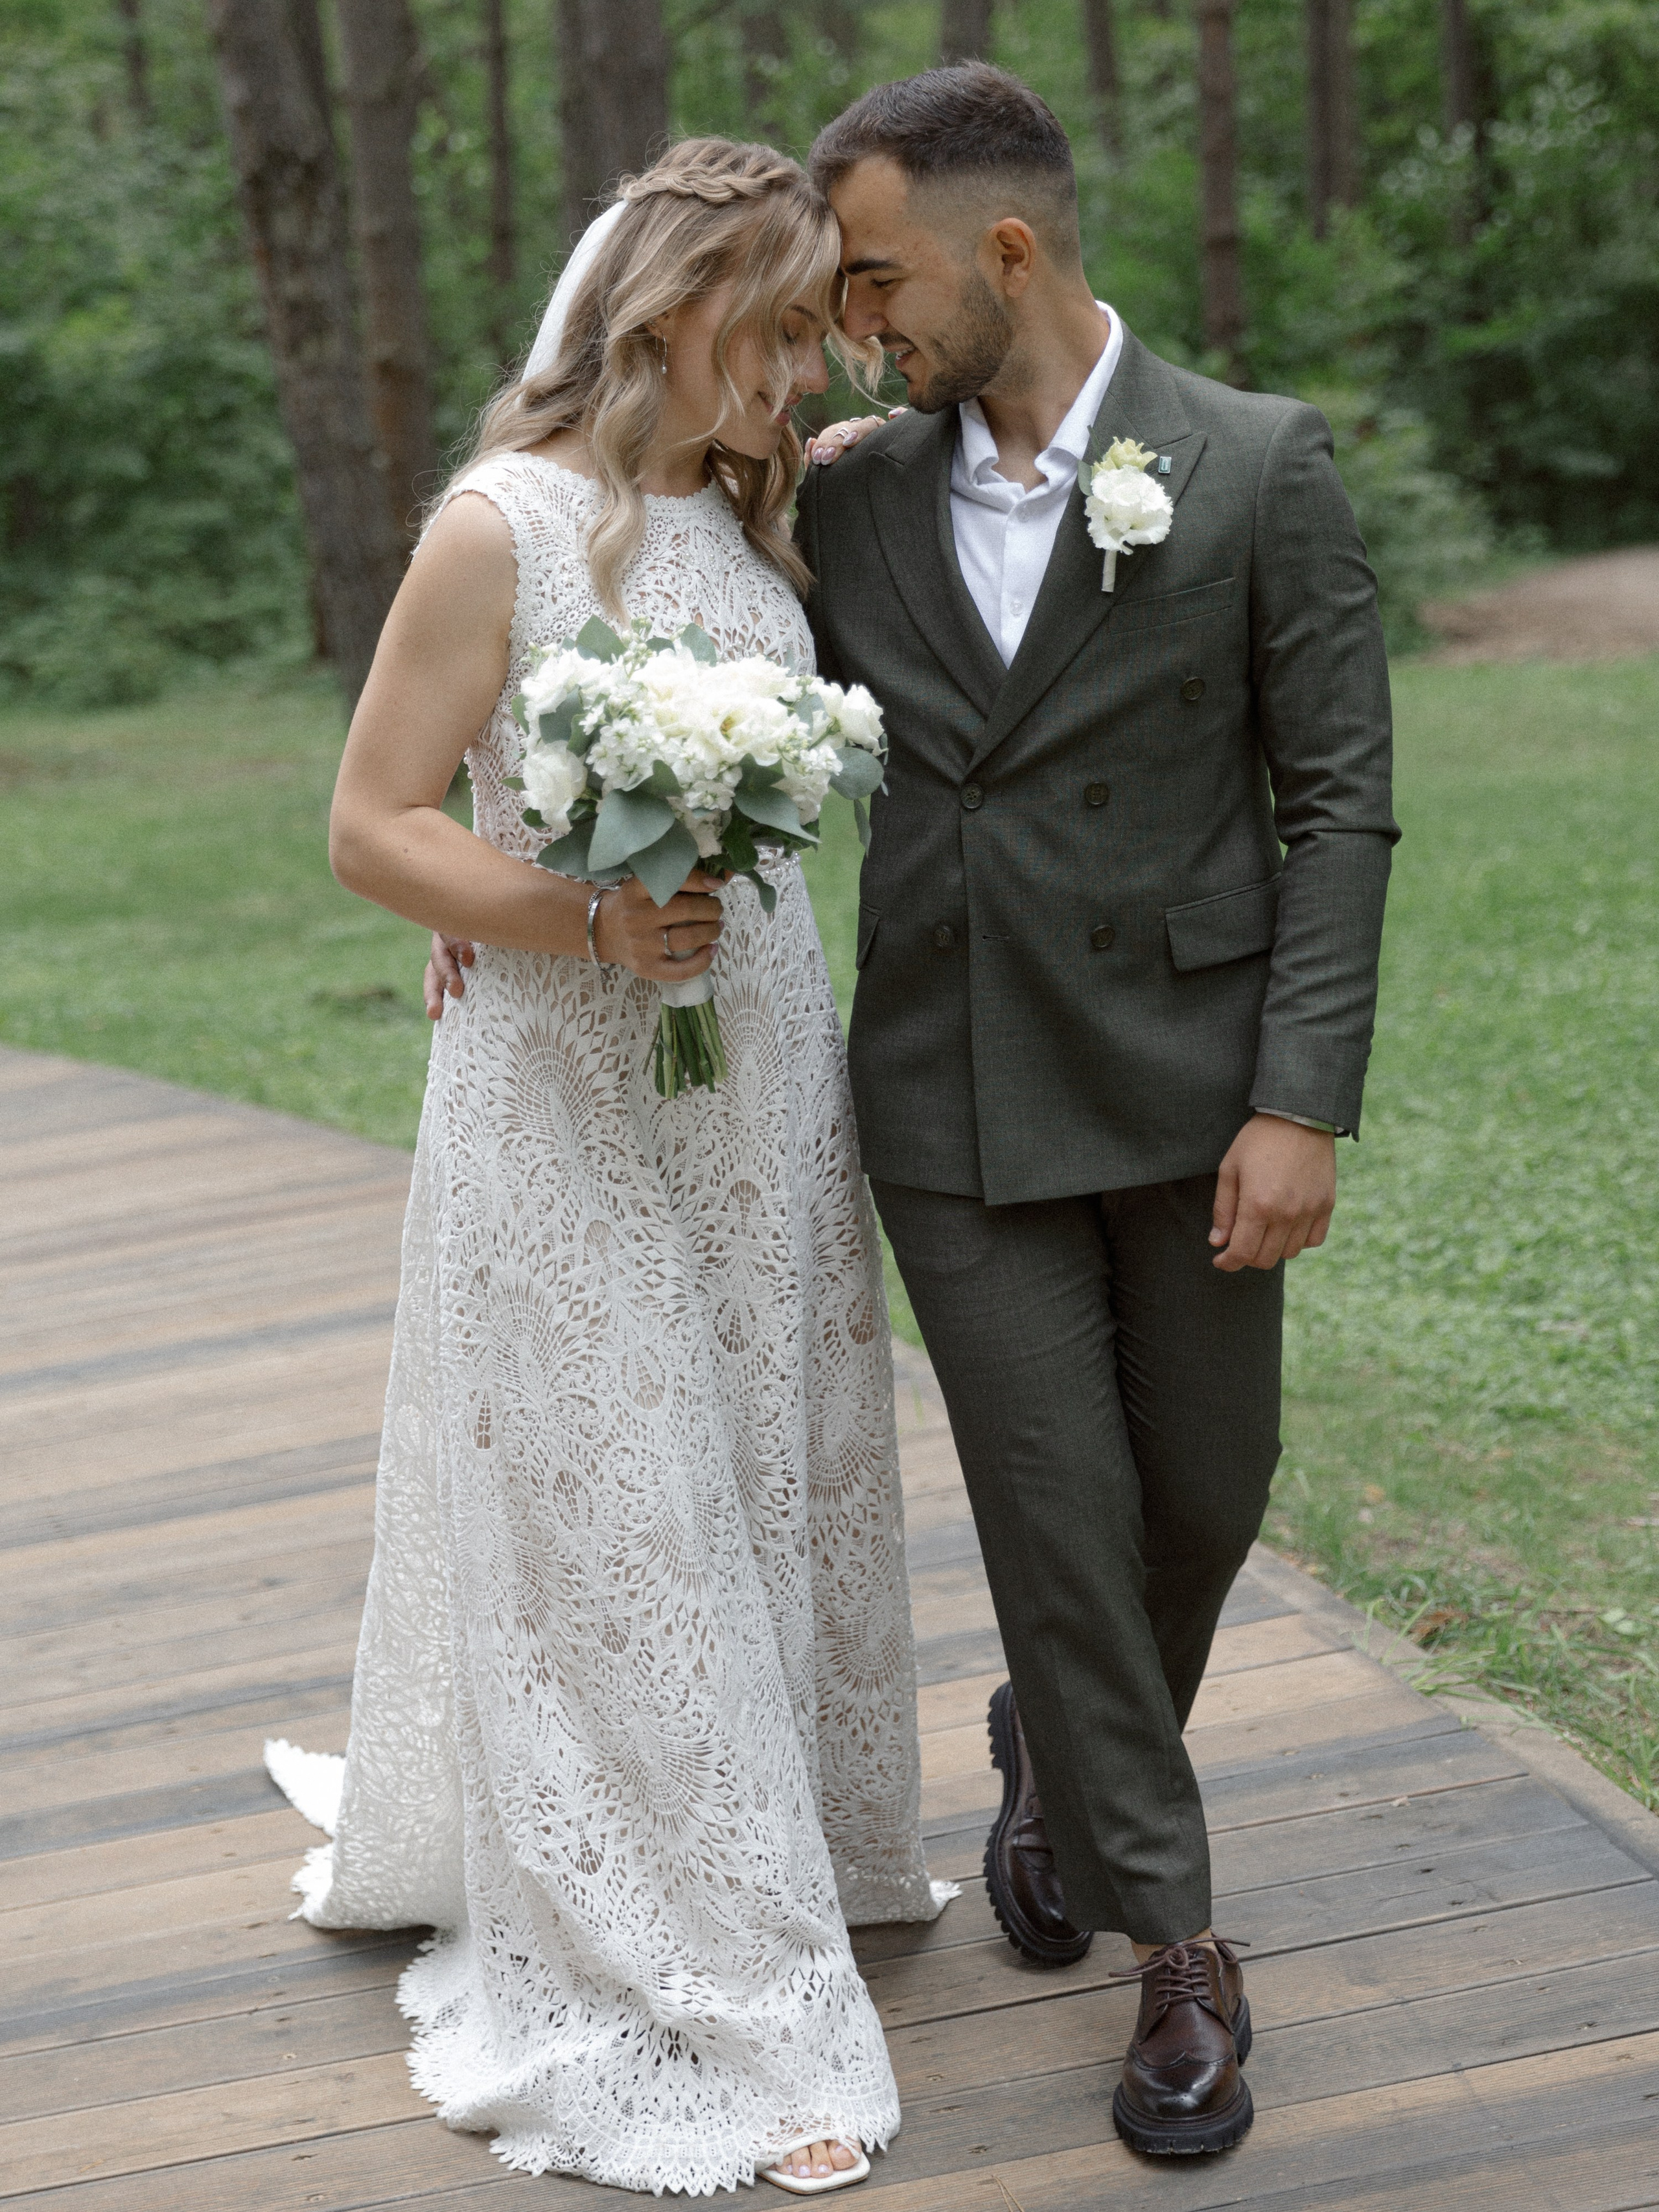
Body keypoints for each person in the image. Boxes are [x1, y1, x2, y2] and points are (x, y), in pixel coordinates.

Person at [264, 137, 953, 2202]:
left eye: (825, 320)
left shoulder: (773, 509)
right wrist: (567, 913)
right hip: (562, 1112)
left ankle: (779, 1849)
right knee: (624, 1523)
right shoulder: (502, 530)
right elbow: (375, 824)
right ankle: (729, 2003)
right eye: (774, 325)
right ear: (658, 316)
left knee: (753, 1470)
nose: (803, 365)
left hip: (753, 1095)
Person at [793, 62, 1397, 2157]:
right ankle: (1179, 1958)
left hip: (1192, 1088)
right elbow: (637, 625)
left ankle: (1051, 1759)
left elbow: (1338, 806)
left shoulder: (1250, 464)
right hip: (951, 1100)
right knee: (1062, 1518)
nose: (859, 322)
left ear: (1008, 251)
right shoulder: (851, 496)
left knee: (1204, 1500)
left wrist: (1302, 1097)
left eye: (879, 277)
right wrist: (521, 879)